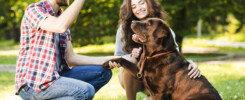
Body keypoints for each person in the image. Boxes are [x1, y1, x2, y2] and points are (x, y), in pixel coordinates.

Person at [15, 0, 118, 99]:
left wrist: (105, 59)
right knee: (86, 91)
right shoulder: (33, 10)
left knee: (103, 72)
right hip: (32, 85)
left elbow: (71, 58)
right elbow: (59, 26)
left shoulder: (62, 17)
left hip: (56, 77)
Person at [109, 0, 202, 99]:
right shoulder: (123, 29)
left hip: (157, 78)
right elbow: (117, 56)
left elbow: (175, 56)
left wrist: (190, 63)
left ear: (149, 3)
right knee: (128, 68)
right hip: (133, 78)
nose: (139, 8)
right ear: (130, 10)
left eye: (141, 3)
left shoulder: (164, 28)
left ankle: (151, 97)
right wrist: (131, 56)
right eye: (134, 6)